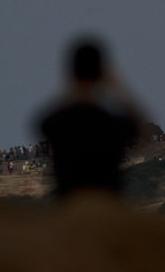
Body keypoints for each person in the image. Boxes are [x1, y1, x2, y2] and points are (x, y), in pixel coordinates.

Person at [38, 38, 140, 199]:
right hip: (107, 208)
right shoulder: (113, 125)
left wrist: (71, 88)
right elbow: (139, 127)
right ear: (101, 74)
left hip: (69, 209)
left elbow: (43, 121)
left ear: (72, 74)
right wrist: (120, 89)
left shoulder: (57, 124)